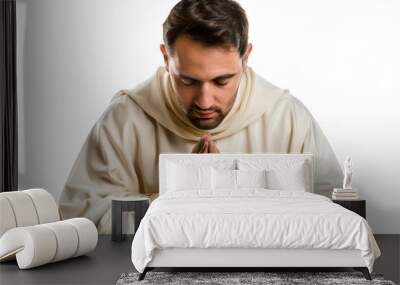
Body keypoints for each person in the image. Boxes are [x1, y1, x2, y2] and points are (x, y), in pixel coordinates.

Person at [59, 0, 342, 234]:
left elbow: (332, 213)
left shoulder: (287, 118)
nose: (205, 102)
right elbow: (83, 223)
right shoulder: (124, 121)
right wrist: (183, 197)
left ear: (246, 58)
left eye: (221, 81)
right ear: (165, 58)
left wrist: (239, 193)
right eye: (187, 81)